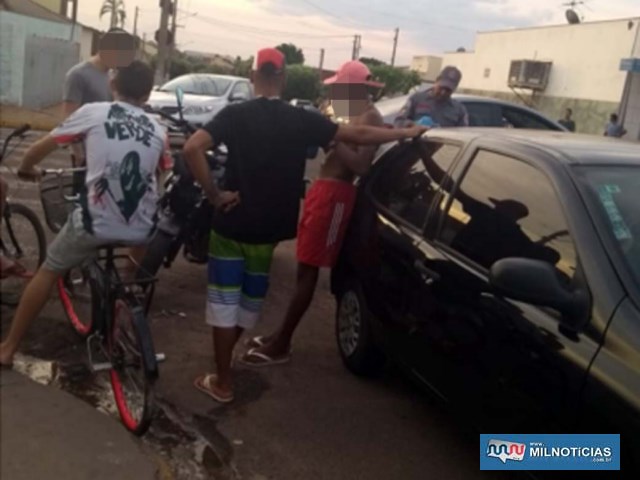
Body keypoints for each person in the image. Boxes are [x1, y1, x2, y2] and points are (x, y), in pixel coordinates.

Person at [184, 47, 427, 403]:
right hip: (269, 231)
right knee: (248, 302)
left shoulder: (235, 114)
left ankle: (222, 380)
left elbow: (192, 148)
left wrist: (215, 194)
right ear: (282, 78)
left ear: (253, 77)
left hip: (232, 223)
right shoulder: (304, 119)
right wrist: (405, 133)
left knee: (224, 302)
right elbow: (359, 138)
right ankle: (231, 359)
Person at [0, 61, 166, 368]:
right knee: (135, 247)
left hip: (95, 222)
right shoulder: (158, 128)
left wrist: (26, 170)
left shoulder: (95, 112)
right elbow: (160, 174)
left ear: (113, 85)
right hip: (142, 228)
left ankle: (8, 348)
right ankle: (127, 292)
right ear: (147, 93)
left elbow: (38, 150)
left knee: (48, 270)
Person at [240, 60, 385, 367]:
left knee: (308, 270)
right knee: (303, 268)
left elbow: (360, 165)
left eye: (338, 87)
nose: (333, 91)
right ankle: (279, 335)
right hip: (322, 192)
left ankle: (282, 343)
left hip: (336, 196)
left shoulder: (371, 116)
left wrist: (331, 139)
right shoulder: (347, 112)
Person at [394, 66, 468, 127]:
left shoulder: (459, 110)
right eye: (441, 87)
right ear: (436, 81)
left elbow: (462, 133)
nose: (443, 93)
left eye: (448, 90)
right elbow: (398, 122)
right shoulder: (416, 99)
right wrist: (413, 125)